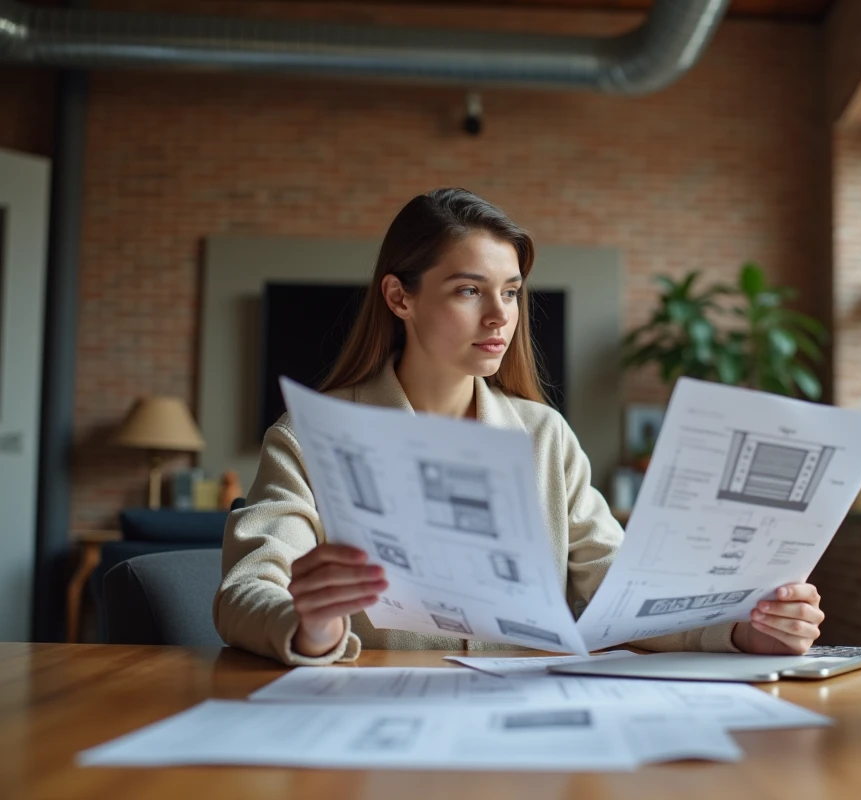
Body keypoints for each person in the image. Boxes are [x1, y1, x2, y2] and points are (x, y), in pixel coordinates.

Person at [214, 188, 825, 665]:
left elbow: (613, 591)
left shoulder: (545, 436)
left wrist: (743, 630)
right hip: (379, 718)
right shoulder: (311, 435)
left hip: (527, 719)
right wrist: (311, 627)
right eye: (468, 290)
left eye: (510, 292)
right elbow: (246, 590)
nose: (498, 316)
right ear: (400, 297)